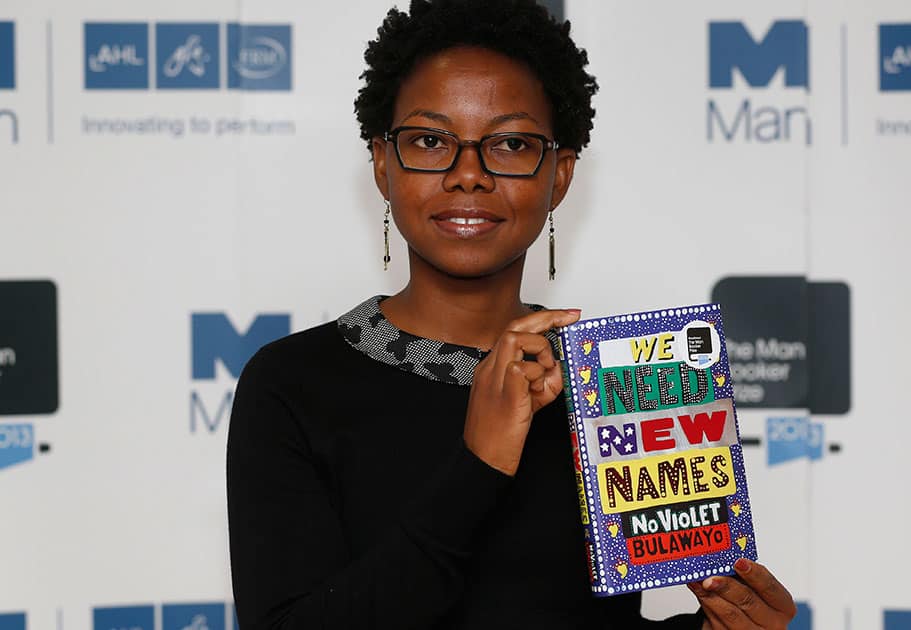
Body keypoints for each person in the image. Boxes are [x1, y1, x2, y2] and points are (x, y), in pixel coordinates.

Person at [226, 1, 798, 628]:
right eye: (429, 140)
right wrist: (478, 465)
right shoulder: (290, 385)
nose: (468, 174)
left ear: (559, 176)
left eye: (511, 144)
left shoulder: (624, 385)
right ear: (383, 164)